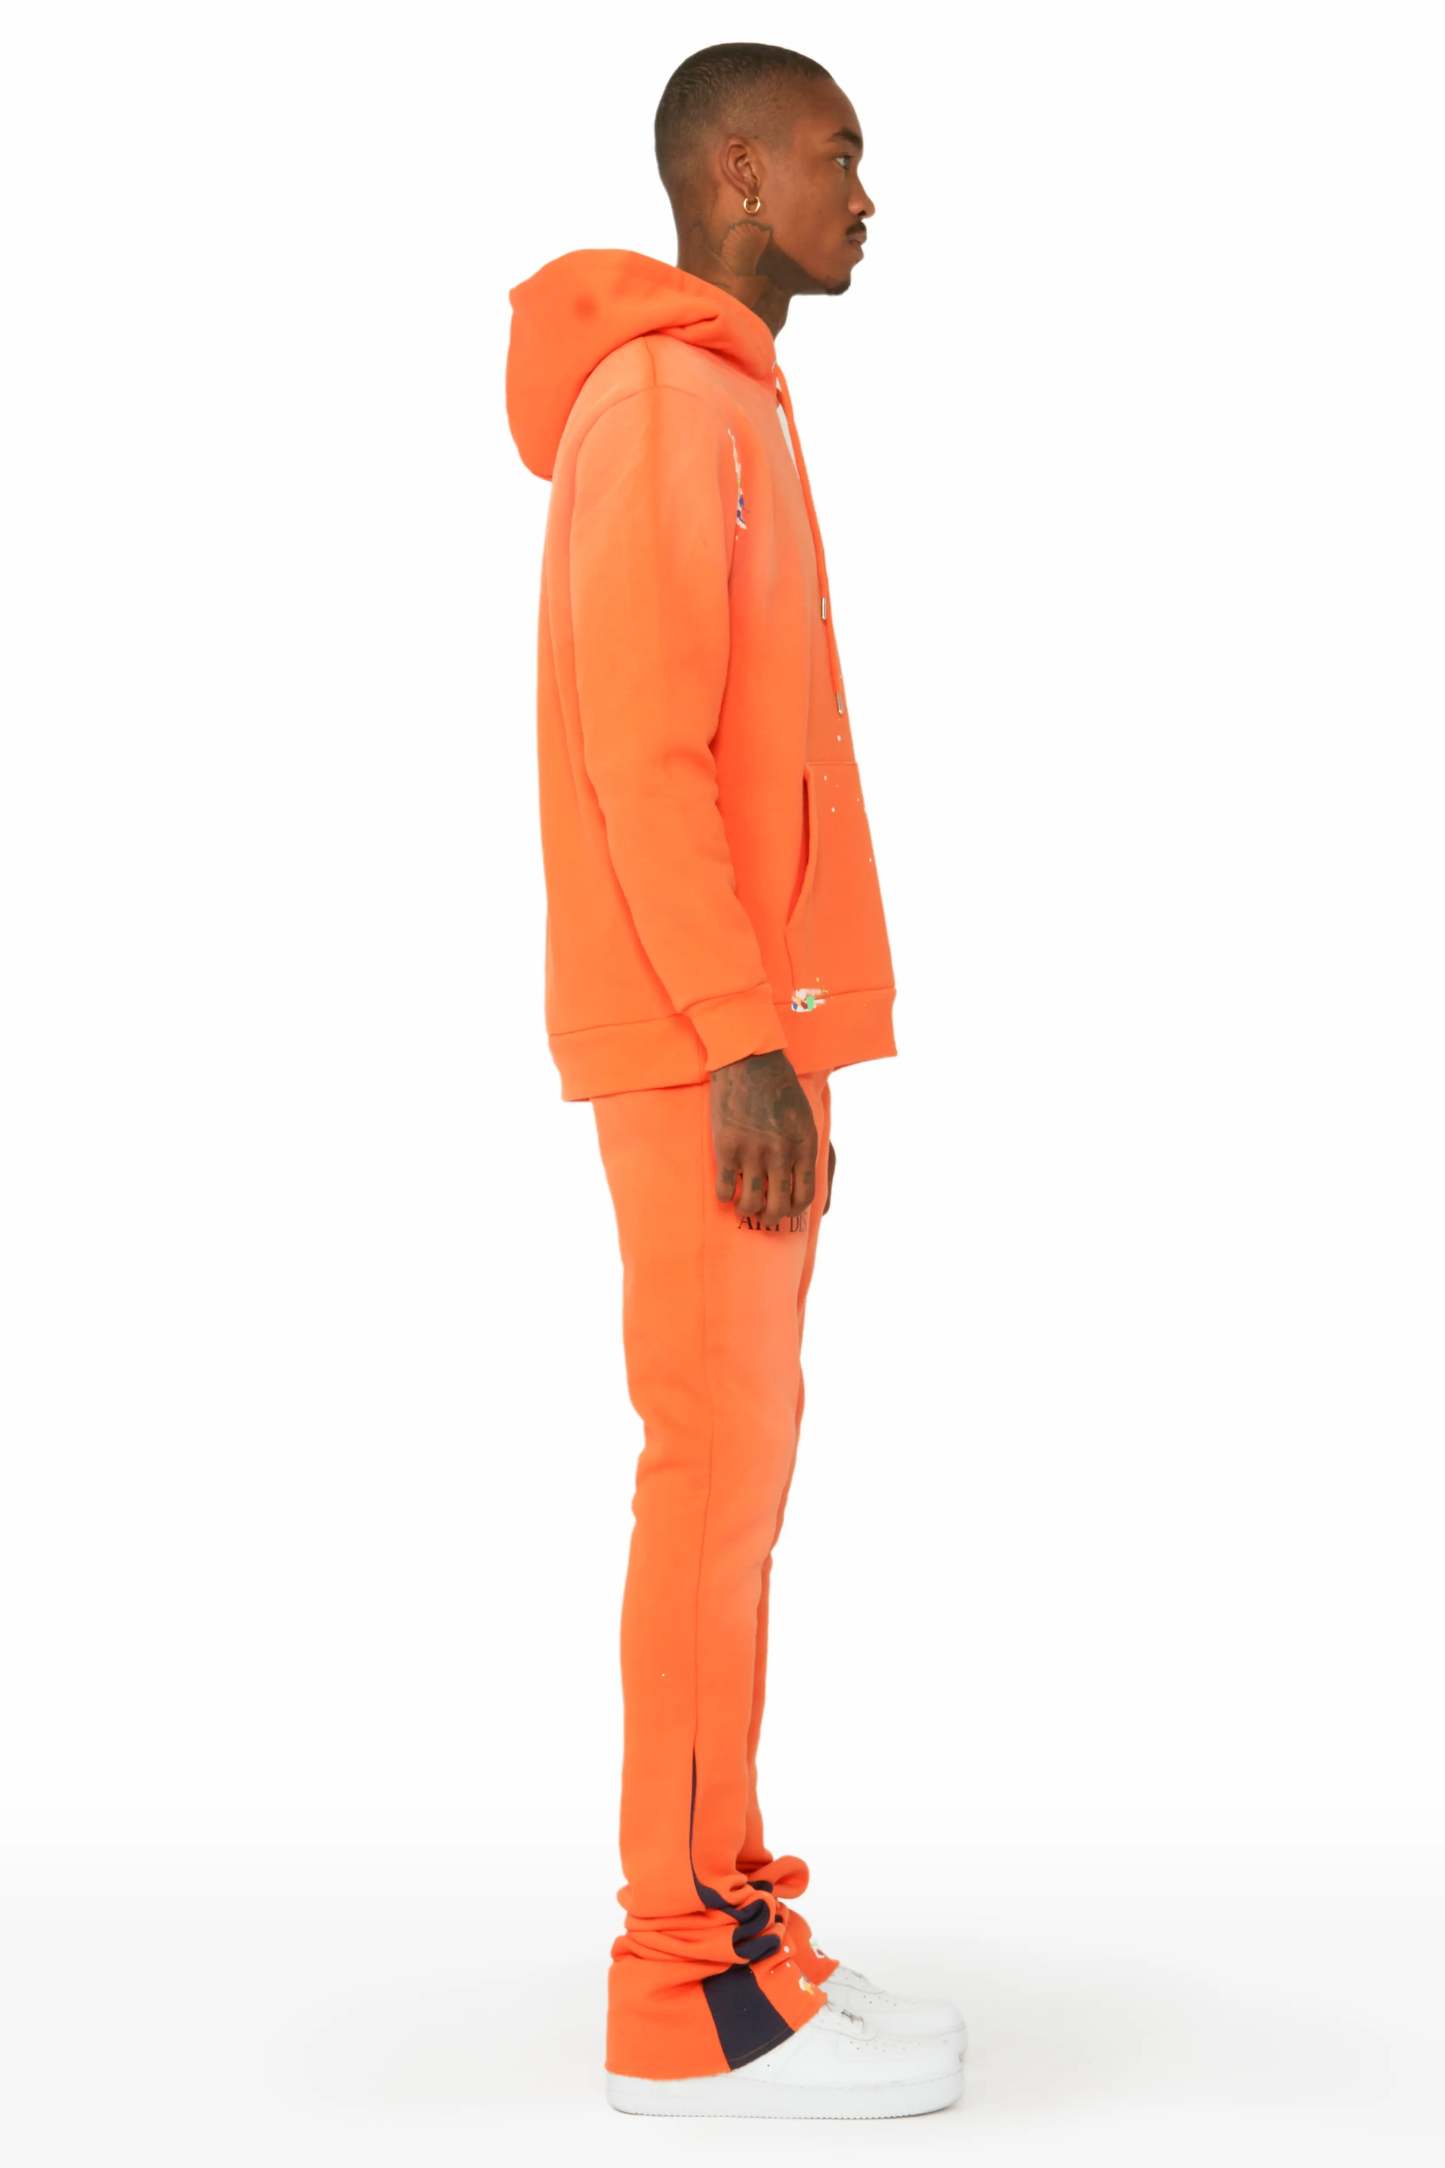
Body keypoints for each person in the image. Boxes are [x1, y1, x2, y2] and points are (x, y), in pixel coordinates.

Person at [505, 41, 965, 2120]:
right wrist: (744, 1036)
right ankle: (681, 1995)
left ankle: (736, 1919)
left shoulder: (737, 402)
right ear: (744, 176)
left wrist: (778, 1024)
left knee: (738, 1486)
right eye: (843, 156)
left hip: (741, 1031)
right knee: (708, 1487)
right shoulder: (663, 403)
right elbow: (644, 754)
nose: (870, 194)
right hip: (710, 1043)